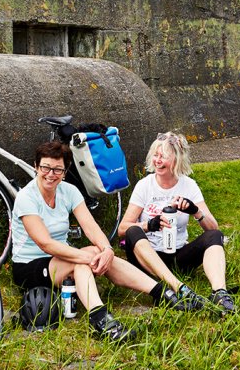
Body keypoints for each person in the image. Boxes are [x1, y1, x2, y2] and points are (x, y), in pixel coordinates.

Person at [11, 141, 199, 343]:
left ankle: (162, 293)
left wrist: (107, 250)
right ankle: (100, 321)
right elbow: (45, 244)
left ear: (65, 171)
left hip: (60, 258)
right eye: (45, 167)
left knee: (95, 251)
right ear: (36, 167)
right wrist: (88, 257)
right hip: (29, 266)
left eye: (57, 169)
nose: (50, 174)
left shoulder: (69, 191)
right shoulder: (26, 197)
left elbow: (91, 228)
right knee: (83, 260)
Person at [118, 131, 237, 314]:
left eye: (163, 156)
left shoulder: (188, 185)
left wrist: (195, 211)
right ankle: (178, 287)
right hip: (146, 259)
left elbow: (213, 228)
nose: (157, 161)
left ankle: (220, 293)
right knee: (133, 231)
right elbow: (122, 229)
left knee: (215, 236)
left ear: (177, 159)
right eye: (155, 155)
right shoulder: (145, 185)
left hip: (177, 256)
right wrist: (149, 225)